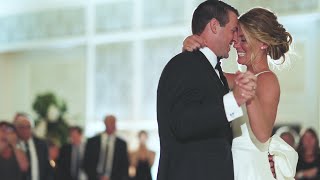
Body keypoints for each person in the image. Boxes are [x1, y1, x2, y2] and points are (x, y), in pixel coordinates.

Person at [183, 6, 298, 180]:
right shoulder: (239, 78)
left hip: (251, 170)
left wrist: (248, 96)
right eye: (236, 39)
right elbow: (206, 76)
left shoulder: (267, 79)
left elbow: (262, 134)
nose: (236, 45)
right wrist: (190, 51)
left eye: (243, 39)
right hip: (231, 165)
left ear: (263, 43)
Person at [157, 1, 258, 180]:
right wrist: (233, 101)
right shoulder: (184, 64)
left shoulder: (213, 72)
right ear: (214, 26)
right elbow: (183, 123)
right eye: (233, 30)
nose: (235, 39)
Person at [83, 115, 129, 180]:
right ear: (105, 123)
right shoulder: (92, 142)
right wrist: (96, 177)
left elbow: (124, 166)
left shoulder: (121, 144)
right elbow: (86, 162)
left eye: (113, 123)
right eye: (109, 122)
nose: (112, 125)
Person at [13, 112, 53, 180]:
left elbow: (47, 168)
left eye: (28, 127)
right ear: (16, 128)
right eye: (22, 127)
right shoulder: (13, 144)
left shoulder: (41, 144)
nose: (25, 130)